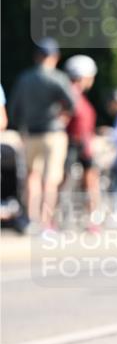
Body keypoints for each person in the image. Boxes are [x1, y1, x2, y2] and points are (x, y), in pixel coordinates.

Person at [8, 38, 75, 230]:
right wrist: (62, 116)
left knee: (32, 176)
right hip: (53, 133)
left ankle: (31, 218)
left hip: (30, 133)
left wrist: (21, 127)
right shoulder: (58, 77)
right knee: (51, 179)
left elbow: (14, 109)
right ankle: (46, 223)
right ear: (55, 56)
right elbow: (72, 103)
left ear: (37, 56)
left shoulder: (24, 78)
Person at [63, 55, 101, 229]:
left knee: (91, 181)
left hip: (82, 145)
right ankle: (58, 219)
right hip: (73, 144)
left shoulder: (75, 94)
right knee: (64, 182)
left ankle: (92, 218)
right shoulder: (70, 94)